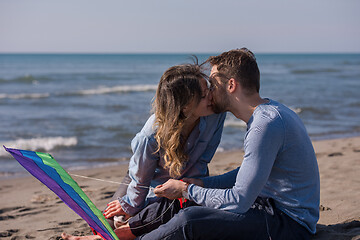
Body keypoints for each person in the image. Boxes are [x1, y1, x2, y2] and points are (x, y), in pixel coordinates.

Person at [139, 48, 320, 240]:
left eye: (213, 84)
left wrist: (186, 190)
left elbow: (239, 201)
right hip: (271, 208)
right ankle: (132, 231)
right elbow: (248, 174)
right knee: (193, 202)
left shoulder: (265, 125)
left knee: (189, 220)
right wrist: (201, 184)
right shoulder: (269, 113)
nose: (209, 92)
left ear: (231, 85)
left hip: (291, 224)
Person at [61, 63, 226, 240]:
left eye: (208, 89)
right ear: (185, 106)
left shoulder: (215, 116)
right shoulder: (151, 135)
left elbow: (202, 162)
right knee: (110, 222)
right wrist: (131, 206)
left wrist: (185, 189)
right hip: (144, 178)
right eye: (203, 95)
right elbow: (140, 180)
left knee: (174, 210)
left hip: (187, 180)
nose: (211, 96)